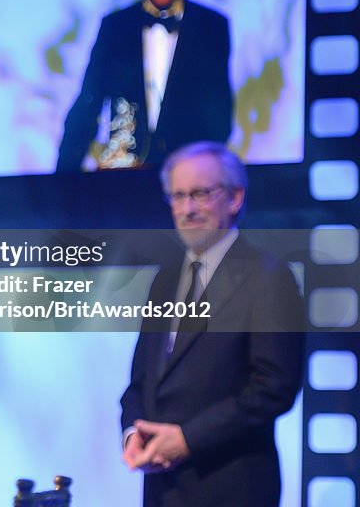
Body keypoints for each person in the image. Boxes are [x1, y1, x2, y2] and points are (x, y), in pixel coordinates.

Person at [120, 141, 303, 506]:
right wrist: (132, 433)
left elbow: (273, 387)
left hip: (232, 488)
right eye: (177, 196)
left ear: (234, 198)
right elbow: (141, 381)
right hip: (162, 490)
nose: (187, 209)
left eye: (200, 194)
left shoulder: (269, 276)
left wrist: (187, 439)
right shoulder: (164, 279)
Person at [57, 0, 233, 171]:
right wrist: (60, 180)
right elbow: (88, 104)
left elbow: (219, 118)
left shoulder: (211, 26)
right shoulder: (115, 26)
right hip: (124, 178)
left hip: (186, 180)